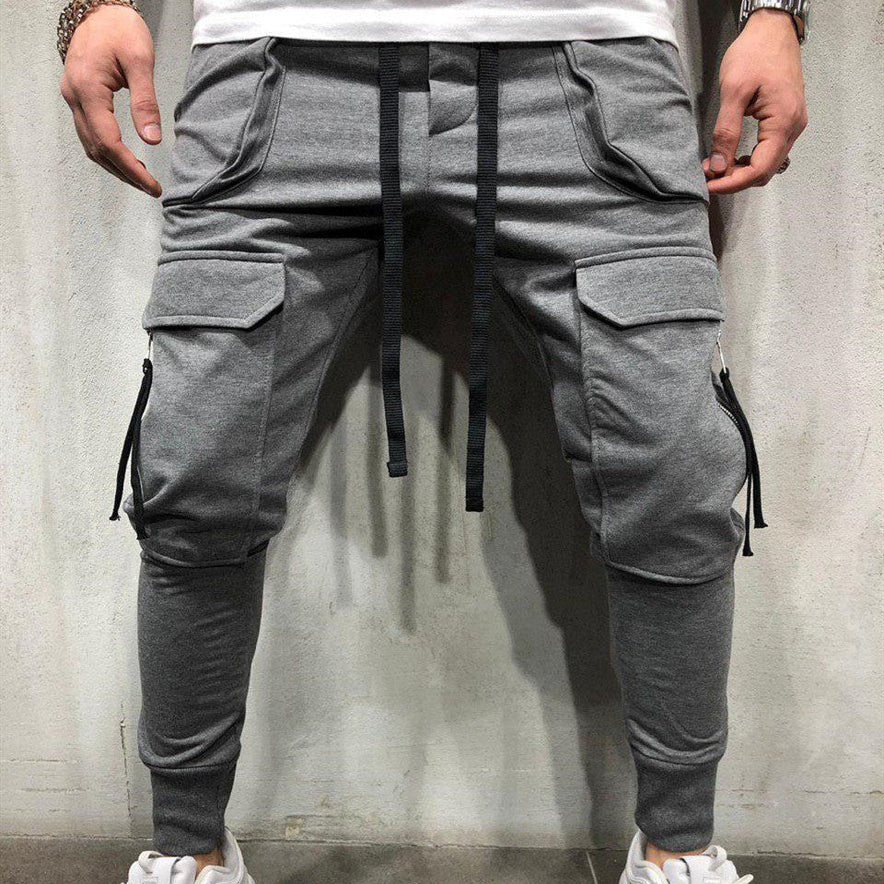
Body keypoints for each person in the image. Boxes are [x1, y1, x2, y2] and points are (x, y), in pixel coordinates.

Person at [58, 0, 808, 880]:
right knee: (195, 469)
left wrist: (774, 12)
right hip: (278, 77)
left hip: (590, 73)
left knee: (676, 468)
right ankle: (189, 851)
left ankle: (678, 849)